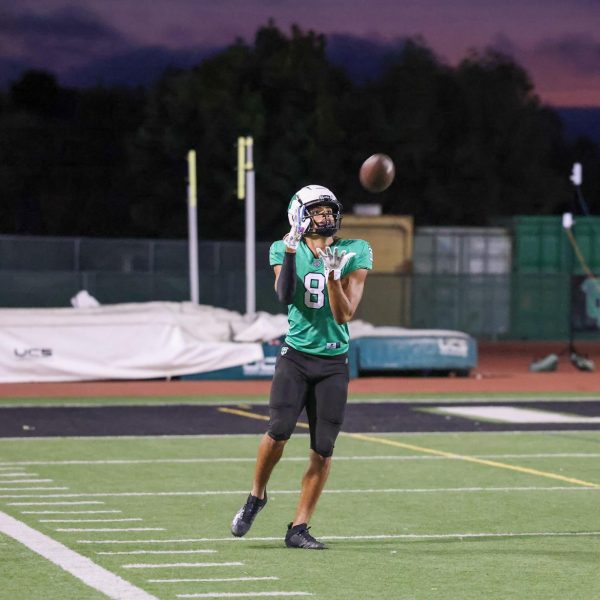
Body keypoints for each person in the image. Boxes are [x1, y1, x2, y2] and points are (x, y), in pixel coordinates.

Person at [230, 184, 373, 549]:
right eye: (318, 211)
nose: (326, 217)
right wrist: (293, 251)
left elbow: (345, 314)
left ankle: (298, 527)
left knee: (323, 448)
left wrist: (332, 275)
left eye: (329, 211)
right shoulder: (283, 247)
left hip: (334, 362)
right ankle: (256, 495)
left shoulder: (355, 251)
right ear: (299, 216)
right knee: (277, 430)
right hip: (295, 356)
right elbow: (283, 295)